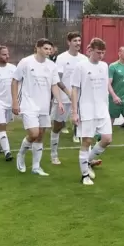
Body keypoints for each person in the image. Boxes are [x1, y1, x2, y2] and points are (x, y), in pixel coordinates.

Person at [11, 38, 65, 176]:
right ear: (38, 48)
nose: (48, 51)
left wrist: (59, 101)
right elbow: (14, 81)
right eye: (46, 48)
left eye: (50, 49)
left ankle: (36, 167)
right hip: (28, 104)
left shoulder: (52, 66)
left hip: (44, 105)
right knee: (33, 134)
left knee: (40, 136)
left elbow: (54, 84)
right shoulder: (26, 62)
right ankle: (21, 154)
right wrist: (15, 102)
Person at [71, 38, 112, 186]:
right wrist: (74, 112)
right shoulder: (81, 66)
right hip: (87, 109)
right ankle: (84, 176)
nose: (100, 55)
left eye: (103, 53)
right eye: (98, 52)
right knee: (87, 141)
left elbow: (105, 86)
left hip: (102, 110)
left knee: (107, 139)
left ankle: (88, 161)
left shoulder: (104, 66)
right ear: (90, 51)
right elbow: (75, 89)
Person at [50, 32, 86, 163]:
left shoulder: (84, 59)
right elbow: (57, 79)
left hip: (79, 99)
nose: (78, 43)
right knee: (58, 126)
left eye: (79, 40)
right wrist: (68, 93)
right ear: (69, 42)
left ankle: (86, 158)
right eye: (75, 41)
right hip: (64, 99)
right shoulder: (61, 58)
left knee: (84, 126)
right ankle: (54, 154)